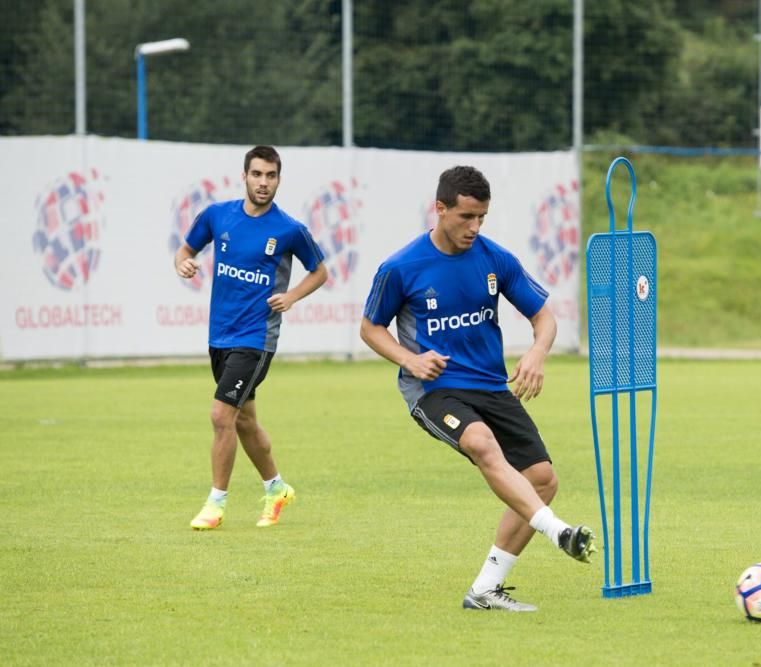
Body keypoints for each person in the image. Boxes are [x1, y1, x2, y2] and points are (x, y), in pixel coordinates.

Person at [360, 165, 595, 612]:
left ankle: (486, 589)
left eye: (482, 218)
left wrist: (536, 353)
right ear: (440, 208)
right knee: (481, 442)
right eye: (466, 217)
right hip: (434, 391)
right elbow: (370, 328)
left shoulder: (494, 259)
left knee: (543, 480)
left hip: (491, 385)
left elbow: (544, 318)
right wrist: (410, 359)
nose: (474, 227)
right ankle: (558, 532)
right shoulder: (401, 267)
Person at [174, 145, 328, 530]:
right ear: (243, 176)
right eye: (257, 174)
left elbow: (320, 271)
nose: (264, 183)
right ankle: (276, 488)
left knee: (220, 414)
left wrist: (292, 296)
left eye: (271, 176)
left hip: (256, 339)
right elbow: (185, 249)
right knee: (244, 421)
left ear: (279, 179)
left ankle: (216, 503)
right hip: (219, 335)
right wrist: (184, 263)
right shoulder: (217, 216)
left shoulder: (290, 229)